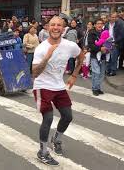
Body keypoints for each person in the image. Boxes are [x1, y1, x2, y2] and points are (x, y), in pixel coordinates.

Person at [32, 16, 84, 166]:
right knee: (48, 118)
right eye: (52, 25)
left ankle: (57, 140)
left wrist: (74, 75)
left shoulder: (70, 45)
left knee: (67, 116)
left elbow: (81, 56)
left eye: (59, 25)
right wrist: (47, 57)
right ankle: (42, 152)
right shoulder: (41, 48)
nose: (55, 27)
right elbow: (34, 73)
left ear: (63, 28)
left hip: (58, 85)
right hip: (42, 86)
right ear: (48, 27)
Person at [88, 19, 107, 96]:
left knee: (102, 74)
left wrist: (108, 48)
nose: (100, 25)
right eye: (98, 23)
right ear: (95, 25)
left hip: (103, 56)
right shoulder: (91, 33)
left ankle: (98, 88)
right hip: (94, 56)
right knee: (96, 72)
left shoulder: (105, 32)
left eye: (101, 23)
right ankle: (94, 88)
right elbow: (91, 45)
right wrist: (100, 49)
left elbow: (108, 42)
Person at [104, 12, 124, 76]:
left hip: (115, 43)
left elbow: (121, 35)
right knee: (108, 57)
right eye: (112, 17)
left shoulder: (119, 24)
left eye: (115, 17)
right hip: (108, 42)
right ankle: (108, 70)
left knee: (114, 57)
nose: (114, 18)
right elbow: (104, 33)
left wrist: (114, 42)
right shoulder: (107, 24)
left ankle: (113, 70)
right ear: (109, 17)